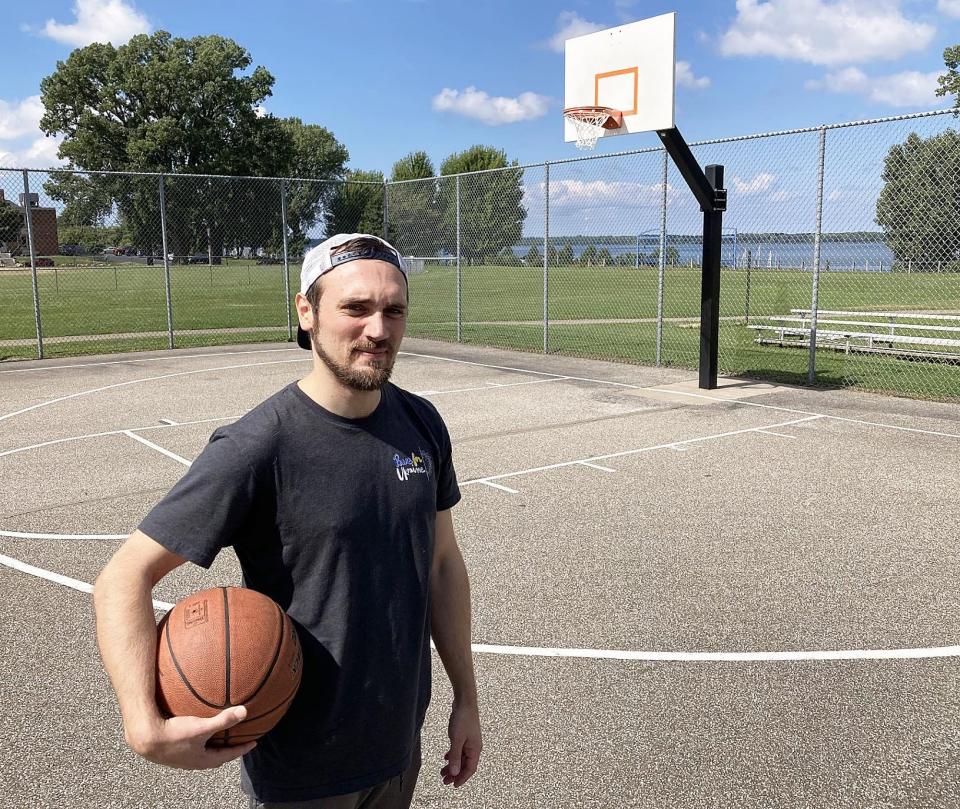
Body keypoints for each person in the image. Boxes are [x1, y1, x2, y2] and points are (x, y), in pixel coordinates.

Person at [93, 233, 482, 808]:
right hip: (301, 767)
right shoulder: (258, 445)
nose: (378, 329)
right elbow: (122, 578)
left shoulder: (421, 422)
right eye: (355, 308)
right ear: (306, 311)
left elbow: (443, 564)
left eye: (393, 310)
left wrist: (466, 697)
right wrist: (143, 727)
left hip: (399, 744)